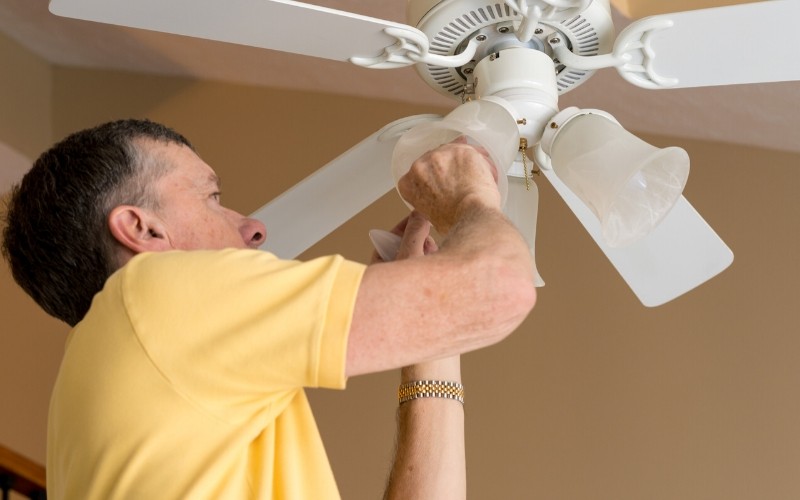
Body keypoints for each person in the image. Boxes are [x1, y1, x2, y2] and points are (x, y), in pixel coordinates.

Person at [1, 119, 536, 499]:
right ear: (142, 229)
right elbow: (502, 287)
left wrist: (431, 343)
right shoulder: (152, 294)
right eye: (211, 196)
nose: (253, 226)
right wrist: (469, 198)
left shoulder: (140, 366)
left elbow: (487, 297)